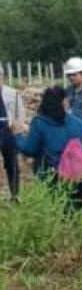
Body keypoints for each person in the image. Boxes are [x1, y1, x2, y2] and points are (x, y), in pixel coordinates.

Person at [14, 86, 82, 213]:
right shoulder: (78, 123)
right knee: (73, 215)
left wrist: (17, 136)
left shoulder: (39, 123)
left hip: (53, 177)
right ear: (64, 102)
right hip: (79, 178)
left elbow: (30, 149)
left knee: (55, 214)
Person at [0, 67, 26, 199]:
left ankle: (15, 194)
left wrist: (17, 127)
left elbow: (20, 113)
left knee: (12, 163)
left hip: (9, 131)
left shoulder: (12, 93)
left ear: (2, 77)